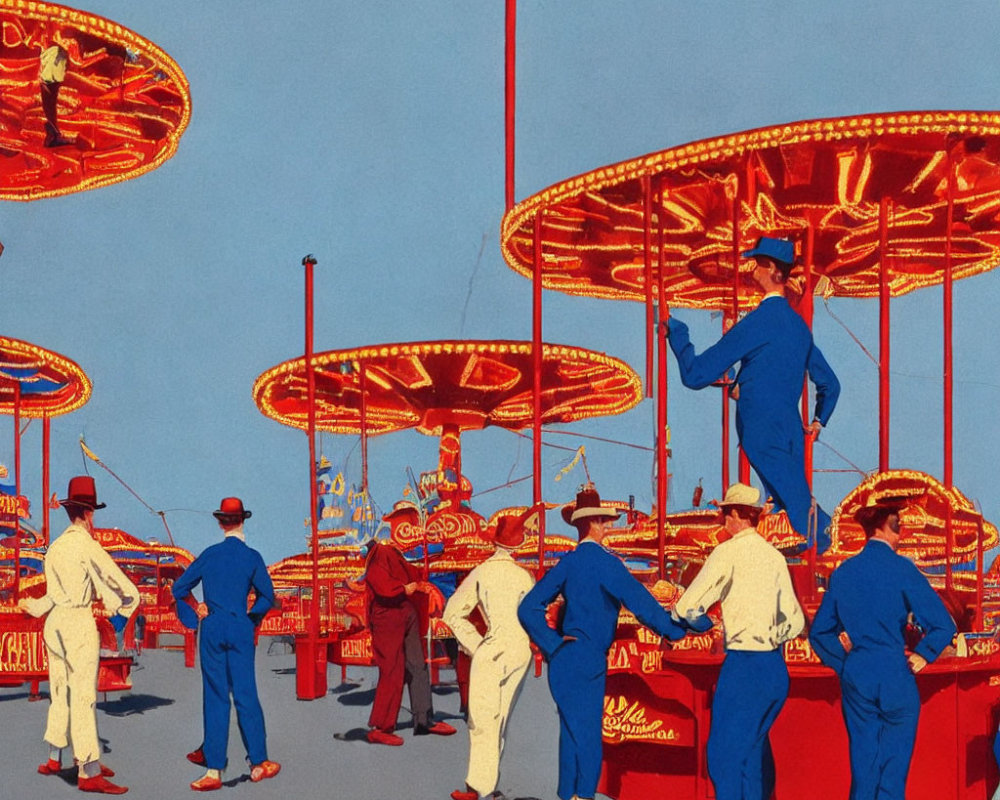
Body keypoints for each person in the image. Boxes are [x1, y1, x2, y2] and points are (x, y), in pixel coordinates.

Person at [667, 236, 840, 552]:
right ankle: (812, 552)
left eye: (758, 262)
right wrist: (819, 420)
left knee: (807, 517)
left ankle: (831, 548)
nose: (752, 267)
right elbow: (830, 383)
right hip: (789, 430)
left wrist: (677, 332)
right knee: (793, 507)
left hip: (761, 432)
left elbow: (695, 375)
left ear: (772, 269)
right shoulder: (798, 327)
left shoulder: (759, 321)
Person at [517, 485, 688, 800]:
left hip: (564, 659)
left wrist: (552, 645)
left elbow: (527, 608)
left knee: (570, 733)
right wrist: (675, 631)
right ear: (593, 523)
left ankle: (568, 795)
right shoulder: (608, 564)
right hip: (589, 658)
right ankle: (583, 795)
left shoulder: (568, 563)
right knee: (588, 736)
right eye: (605, 521)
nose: (609, 526)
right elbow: (642, 605)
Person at [809, 496, 956, 800]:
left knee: (863, 769)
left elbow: (820, 633)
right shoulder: (902, 569)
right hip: (894, 672)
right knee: (892, 773)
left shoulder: (844, 572)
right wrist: (921, 656)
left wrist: (844, 664)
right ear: (889, 526)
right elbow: (943, 624)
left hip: (858, 672)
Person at [674, 482, 805, 800]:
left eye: (724, 515)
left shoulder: (726, 552)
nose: (722, 521)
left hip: (744, 666)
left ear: (734, 515)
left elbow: (685, 608)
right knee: (752, 756)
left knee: (723, 758)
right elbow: (796, 620)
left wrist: (701, 624)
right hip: (773, 669)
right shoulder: (774, 557)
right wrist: (772, 635)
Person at [19, 475, 139, 794]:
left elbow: (51, 595)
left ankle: (54, 757)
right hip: (77, 623)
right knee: (83, 697)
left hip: (54, 623)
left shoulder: (55, 547)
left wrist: (31, 605)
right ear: (89, 513)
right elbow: (126, 589)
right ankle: (88, 769)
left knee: (59, 691)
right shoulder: (89, 546)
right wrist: (119, 615)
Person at [172, 497, 280, 791]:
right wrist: (252, 618)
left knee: (216, 695)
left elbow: (179, 588)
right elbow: (267, 597)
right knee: (246, 693)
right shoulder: (252, 557)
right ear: (243, 521)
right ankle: (258, 762)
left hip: (213, 627)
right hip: (241, 626)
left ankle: (213, 771)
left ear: (220, 523)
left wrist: (198, 607)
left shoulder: (210, 554)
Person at [444, 507, 537, 800]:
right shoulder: (525, 576)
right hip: (520, 649)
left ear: (495, 542)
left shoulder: (482, 572)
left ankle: (477, 787)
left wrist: (475, 644)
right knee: (501, 719)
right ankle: (488, 785)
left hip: (493, 646)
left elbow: (452, 614)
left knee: (483, 718)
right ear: (518, 545)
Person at [363, 533, 457, 745]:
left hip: (400, 612)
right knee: (396, 669)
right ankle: (385, 726)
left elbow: (401, 577)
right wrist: (405, 587)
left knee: (411, 665)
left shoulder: (388, 552)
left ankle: (418, 721)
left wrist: (412, 584)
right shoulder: (384, 552)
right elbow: (382, 583)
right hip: (392, 614)